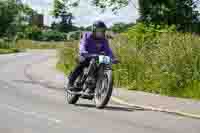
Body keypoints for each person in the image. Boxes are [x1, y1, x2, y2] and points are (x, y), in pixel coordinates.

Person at [68, 20, 118, 92]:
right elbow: (82, 45)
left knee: (103, 64)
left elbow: (108, 50)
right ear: (93, 30)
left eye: (102, 30)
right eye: (98, 30)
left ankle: (93, 84)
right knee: (82, 62)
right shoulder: (87, 36)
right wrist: (84, 52)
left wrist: (113, 58)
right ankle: (71, 81)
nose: (100, 32)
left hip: (96, 57)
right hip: (85, 55)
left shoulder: (104, 40)